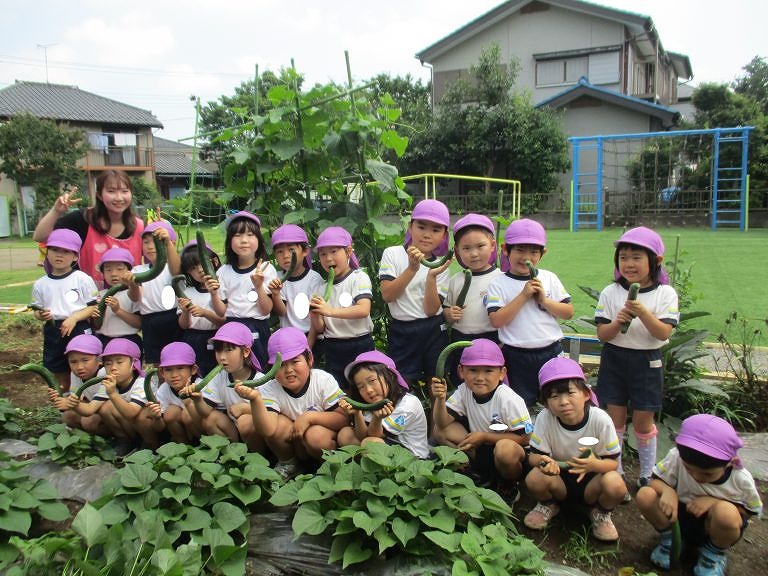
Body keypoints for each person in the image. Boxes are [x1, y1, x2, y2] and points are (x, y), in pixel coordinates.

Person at [594, 227, 679, 488]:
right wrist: (618, 320)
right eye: (623, 257)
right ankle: (616, 469)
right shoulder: (610, 292)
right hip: (614, 358)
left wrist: (642, 313)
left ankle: (647, 472)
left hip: (647, 362)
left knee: (643, 420)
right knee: (615, 417)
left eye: (636, 257)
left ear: (656, 261)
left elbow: (662, 332)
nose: (628, 264)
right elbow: (603, 335)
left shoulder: (666, 294)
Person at [636, 414, 762, 576]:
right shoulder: (677, 458)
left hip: (714, 528)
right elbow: (655, 481)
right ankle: (672, 540)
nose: (696, 476)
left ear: (729, 462)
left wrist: (713, 502)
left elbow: (749, 510)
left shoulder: (740, 479)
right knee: (646, 494)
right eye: (689, 469)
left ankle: (713, 554)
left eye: (707, 474)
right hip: (678, 518)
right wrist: (667, 491)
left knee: (726, 513)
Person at [524, 357, 626, 542]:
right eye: (554, 396)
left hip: (592, 482)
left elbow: (612, 463)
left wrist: (594, 464)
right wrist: (544, 462)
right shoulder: (545, 419)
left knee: (615, 484)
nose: (563, 402)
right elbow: (534, 456)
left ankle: (601, 512)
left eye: (570, 393)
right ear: (546, 402)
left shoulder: (600, 419)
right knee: (534, 478)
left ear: (586, 394)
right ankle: (548, 504)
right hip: (558, 479)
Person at [234, 327, 347, 480]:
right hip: (292, 440)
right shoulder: (270, 387)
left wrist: (309, 418)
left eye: (295, 361)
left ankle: (331, 468)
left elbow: (343, 419)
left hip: (318, 438)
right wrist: (255, 400)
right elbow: (267, 430)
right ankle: (290, 464)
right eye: (280, 365)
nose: (288, 370)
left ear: (309, 360)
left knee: (316, 436)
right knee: (276, 426)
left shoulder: (323, 380)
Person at [487, 218, 574, 408]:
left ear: (543, 252)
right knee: (519, 404)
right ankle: (525, 437)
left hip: (550, 352)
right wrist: (524, 295)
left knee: (555, 401)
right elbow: (496, 320)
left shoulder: (549, 278)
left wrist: (544, 300)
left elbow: (568, 312)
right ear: (505, 249)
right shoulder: (498, 284)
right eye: (519, 250)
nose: (526, 257)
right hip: (515, 356)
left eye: (534, 251)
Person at [430, 339, 531, 494]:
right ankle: (472, 470)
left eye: (488, 370)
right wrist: (440, 398)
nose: (480, 377)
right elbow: (442, 423)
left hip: (508, 453)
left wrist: (485, 437)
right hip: (479, 447)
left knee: (505, 450)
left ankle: (509, 484)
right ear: (461, 371)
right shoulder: (464, 390)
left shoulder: (508, 399)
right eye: (473, 370)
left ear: (501, 373)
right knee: (439, 430)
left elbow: (525, 438)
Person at [379, 199, 452, 386]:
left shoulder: (442, 264)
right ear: (411, 227)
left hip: (434, 329)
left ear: (444, 235)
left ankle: (436, 416)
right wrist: (412, 269)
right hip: (403, 330)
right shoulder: (393, 253)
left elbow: (431, 310)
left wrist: (431, 277)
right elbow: (387, 295)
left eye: (436, 230)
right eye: (421, 226)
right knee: (400, 383)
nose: (427, 234)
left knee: (436, 381)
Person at [32, 170, 145, 289]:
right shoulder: (82, 220)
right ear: (99, 195)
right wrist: (56, 211)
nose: (119, 197)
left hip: (129, 302)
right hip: (88, 301)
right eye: (111, 191)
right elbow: (40, 237)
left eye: (124, 191)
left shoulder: (139, 226)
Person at [31, 228, 99, 391]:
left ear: (75, 256)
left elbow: (93, 307)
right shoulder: (40, 284)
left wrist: (74, 318)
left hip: (79, 327)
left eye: (66, 251)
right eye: (54, 250)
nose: (59, 255)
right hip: (54, 329)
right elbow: (36, 310)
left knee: (84, 368)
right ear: (47, 252)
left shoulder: (82, 278)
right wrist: (41, 314)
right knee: (58, 369)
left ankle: (87, 401)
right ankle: (65, 405)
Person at [181, 322, 265, 452]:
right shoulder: (219, 377)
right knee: (210, 419)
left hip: (255, 433)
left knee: (245, 421)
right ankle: (230, 455)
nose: (222, 357)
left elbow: (270, 414)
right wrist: (198, 400)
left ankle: (257, 459)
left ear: (246, 351)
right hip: (233, 430)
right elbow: (205, 412)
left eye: (229, 350)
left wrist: (245, 409)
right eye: (218, 350)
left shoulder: (260, 380)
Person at [309, 226, 375, 386]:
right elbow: (320, 327)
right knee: (340, 389)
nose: (328, 258)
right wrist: (315, 315)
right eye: (323, 254)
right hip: (332, 345)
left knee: (363, 386)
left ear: (348, 251)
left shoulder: (358, 277)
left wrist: (329, 311)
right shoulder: (320, 288)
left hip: (360, 342)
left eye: (333, 252)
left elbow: (363, 309)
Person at [442, 213, 502, 385]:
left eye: (480, 246)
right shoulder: (455, 280)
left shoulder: (501, 278)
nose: (474, 254)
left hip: (492, 338)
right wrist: (449, 313)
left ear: (492, 245)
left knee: (490, 383)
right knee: (462, 382)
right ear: (458, 251)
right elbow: (446, 308)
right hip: (460, 339)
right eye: (466, 248)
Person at [337, 350, 430, 459]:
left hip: (415, 458)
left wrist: (377, 418)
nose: (369, 390)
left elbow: (372, 437)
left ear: (389, 376)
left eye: (372, 380)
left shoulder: (407, 404)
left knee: (369, 444)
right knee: (345, 434)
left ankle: (384, 474)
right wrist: (357, 413)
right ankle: (365, 469)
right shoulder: (372, 403)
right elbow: (362, 435)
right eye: (361, 386)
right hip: (390, 448)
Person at [216, 211, 277, 368]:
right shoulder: (224, 271)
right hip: (231, 327)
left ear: (259, 240)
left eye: (250, 235)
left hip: (257, 326)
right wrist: (212, 292)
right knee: (234, 369)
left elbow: (266, 310)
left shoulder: (266, 269)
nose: (244, 240)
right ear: (229, 241)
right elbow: (220, 311)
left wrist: (258, 287)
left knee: (260, 371)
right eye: (237, 235)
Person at [70, 338, 146, 455]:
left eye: (119, 362)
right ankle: (125, 441)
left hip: (147, 425)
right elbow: (89, 409)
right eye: (108, 363)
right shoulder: (109, 382)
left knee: (110, 407)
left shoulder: (142, 383)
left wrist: (112, 394)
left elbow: (132, 413)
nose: (113, 367)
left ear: (134, 364)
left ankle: (149, 444)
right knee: (105, 408)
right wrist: (73, 403)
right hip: (128, 424)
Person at [125, 220, 182, 364]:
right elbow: (135, 298)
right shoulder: (138, 271)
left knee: (178, 359)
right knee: (158, 362)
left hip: (173, 317)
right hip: (149, 321)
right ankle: (161, 386)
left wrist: (167, 243)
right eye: (146, 242)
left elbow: (176, 271)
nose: (150, 246)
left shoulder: (172, 265)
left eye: (156, 242)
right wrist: (132, 285)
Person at [176, 239, 226, 376]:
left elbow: (224, 321)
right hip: (193, 339)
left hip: (217, 338)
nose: (199, 269)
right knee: (196, 373)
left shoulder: (222, 288)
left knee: (218, 373)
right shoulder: (188, 292)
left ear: (214, 262)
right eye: (193, 268)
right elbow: (183, 325)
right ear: (188, 273)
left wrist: (205, 313)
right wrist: (185, 312)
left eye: (201, 263)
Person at [267, 224, 324, 342]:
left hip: (312, 336)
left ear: (305, 251)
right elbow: (281, 312)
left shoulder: (314, 279)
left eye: (291, 250)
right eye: (280, 251)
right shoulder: (276, 277)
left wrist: (308, 346)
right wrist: (275, 294)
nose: (286, 256)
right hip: (288, 338)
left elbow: (315, 317)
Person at [144, 342, 202, 445]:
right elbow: (159, 428)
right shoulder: (163, 390)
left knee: (187, 415)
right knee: (170, 413)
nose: (174, 375)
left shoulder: (200, 386)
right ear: (162, 373)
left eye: (180, 368)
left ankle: (203, 446)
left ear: (193, 369)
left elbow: (207, 416)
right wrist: (156, 417)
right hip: (182, 429)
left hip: (204, 431)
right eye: (168, 369)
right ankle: (182, 447)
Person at [47, 334, 106, 431]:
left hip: (109, 412)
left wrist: (69, 403)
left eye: (85, 360)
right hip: (91, 408)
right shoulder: (75, 375)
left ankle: (114, 439)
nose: (79, 367)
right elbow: (77, 399)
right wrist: (59, 400)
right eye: (73, 362)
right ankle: (86, 438)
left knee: (89, 422)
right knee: (68, 416)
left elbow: (92, 408)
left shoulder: (104, 374)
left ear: (99, 360)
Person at [92, 247, 142, 350]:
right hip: (103, 341)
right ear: (103, 273)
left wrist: (118, 311)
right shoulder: (98, 295)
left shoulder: (133, 292)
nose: (113, 274)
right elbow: (95, 325)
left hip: (129, 340)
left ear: (129, 271)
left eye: (119, 269)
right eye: (108, 269)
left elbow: (139, 324)